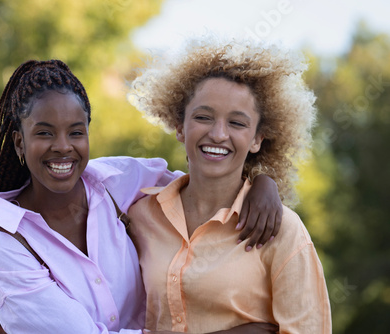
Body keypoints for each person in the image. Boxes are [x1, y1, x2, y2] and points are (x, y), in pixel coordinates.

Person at [0, 59, 283, 334]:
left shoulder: (112, 182)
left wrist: (262, 182)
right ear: (19, 142)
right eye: (44, 133)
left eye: (76, 132)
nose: (62, 146)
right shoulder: (6, 243)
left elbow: (203, 188)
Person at [127, 37, 332, 333]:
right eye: (203, 117)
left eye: (237, 123)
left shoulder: (282, 230)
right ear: (180, 127)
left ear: (257, 139)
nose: (218, 134)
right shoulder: (140, 216)